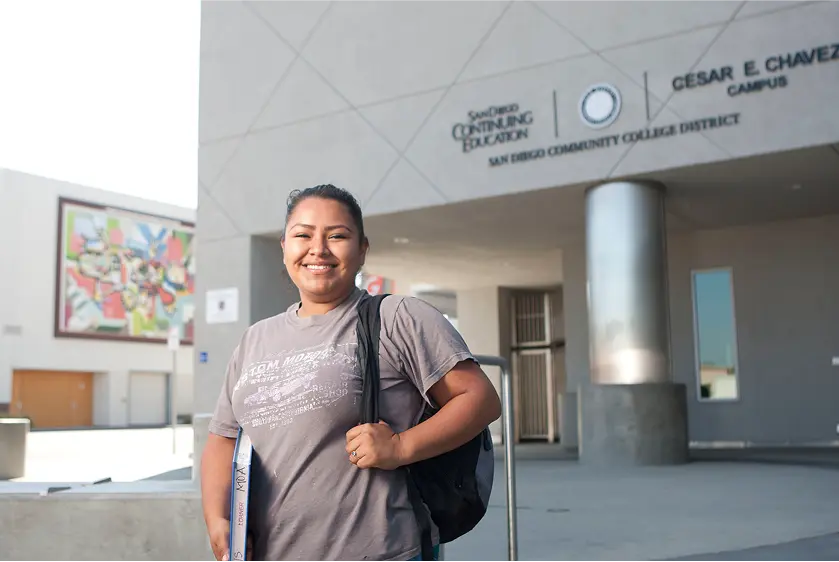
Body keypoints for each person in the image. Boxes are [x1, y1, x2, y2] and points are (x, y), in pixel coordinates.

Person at [201, 184, 502, 562]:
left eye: (337, 236)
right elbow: (223, 440)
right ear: (284, 246)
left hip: (381, 552)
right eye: (303, 235)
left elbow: (480, 400)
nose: (318, 249)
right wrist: (217, 519)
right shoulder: (255, 338)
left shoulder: (398, 318)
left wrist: (400, 447)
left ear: (362, 250)